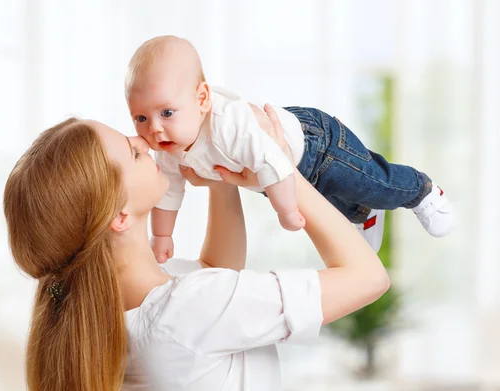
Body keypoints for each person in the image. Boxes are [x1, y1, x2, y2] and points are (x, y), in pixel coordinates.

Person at [3, 105, 389, 391]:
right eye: (133, 152)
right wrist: (281, 170)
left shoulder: (121, 308)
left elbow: (215, 271)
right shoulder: (184, 311)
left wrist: (219, 177)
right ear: (118, 216)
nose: (142, 141)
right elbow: (369, 278)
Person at [125, 35, 456, 262]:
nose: (153, 128)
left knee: (371, 182)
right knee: (337, 204)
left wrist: (285, 212)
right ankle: (365, 214)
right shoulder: (166, 149)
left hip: (316, 147)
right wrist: (162, 237)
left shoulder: (228, 123)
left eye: (166, 112)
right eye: (141, 117)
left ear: (201, 99)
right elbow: (169, 193)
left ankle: (421, 191)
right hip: (275, 179)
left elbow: (274, 161)